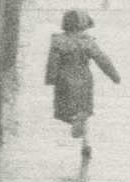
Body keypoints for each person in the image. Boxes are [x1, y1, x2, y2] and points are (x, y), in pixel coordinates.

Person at [45, 9, 120, 160]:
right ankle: (86, 143)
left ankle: (73, 121)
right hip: (84, 81)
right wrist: (114, 75)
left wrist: (51, 78)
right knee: (83, 111)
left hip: (64, 81)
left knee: (65, 109)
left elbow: (52, 63)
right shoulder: (87, 42)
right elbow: (102, 59)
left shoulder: (58, 41)